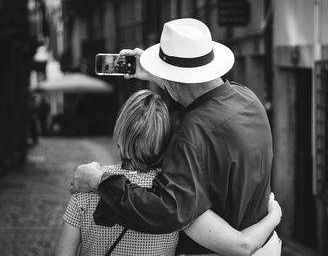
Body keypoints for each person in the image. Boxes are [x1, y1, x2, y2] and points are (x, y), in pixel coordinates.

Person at [71, 18, 276, 254]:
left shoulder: (191, 132)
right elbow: (190, 88)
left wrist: (99, 180)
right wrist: (156, 74)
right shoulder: (248, 99)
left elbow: (166, 210)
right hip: (265, 244)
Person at [56, 89, 281, 255]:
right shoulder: (179, 200)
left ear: (120, 134)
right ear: (166, 139)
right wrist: (273, 216)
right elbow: (243, 246)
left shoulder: (84, 189)